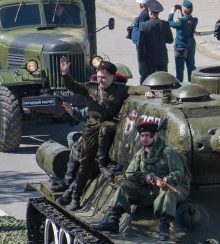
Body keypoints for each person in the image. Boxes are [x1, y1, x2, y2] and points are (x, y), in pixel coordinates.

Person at [57, 57, 154, 210]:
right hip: (91, 128)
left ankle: (102, 162)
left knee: (106, 127)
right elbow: (73, 86)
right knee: (84, 164)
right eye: (99, 76)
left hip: (108, 128)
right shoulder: (91, 88)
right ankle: (75, 197)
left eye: (104, 77)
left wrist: (148, 91)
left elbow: (136, 89)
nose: (100, 80)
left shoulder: (119, 89)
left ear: (112, 77)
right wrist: (64, 74)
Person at [92, 121, 190, 241]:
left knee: (167, 190)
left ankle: (164, 226)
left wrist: (168, 179)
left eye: (147, 136)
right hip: (150, 191)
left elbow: (179, 172)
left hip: (174, 189)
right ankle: (112, 220)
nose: (144, 139)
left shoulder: (167, 152)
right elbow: (129, 173)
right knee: (124, 186)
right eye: (142, 136)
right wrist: (145, 178)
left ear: (155, 136)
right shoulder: (141, 153)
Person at [137, 0, 173, 83]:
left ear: (150, 12)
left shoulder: (144, 25)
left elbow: (141, 45)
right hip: (162, 57)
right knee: (164, 81)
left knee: (151, 81)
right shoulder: (165, 24)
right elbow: (170, 40)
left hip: (150, 58)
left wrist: (141, 60)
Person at [168, 0, 198, 82]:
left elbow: (170, 22)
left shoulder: (180, 21)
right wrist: (182, 11)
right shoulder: (195, 20)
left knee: (180, 69)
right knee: (191, 68)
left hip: (180, 48)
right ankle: (192, 85)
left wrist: (172, 12)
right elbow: (186, 18)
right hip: (190, 47)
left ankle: (180, 86)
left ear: (183, 10)